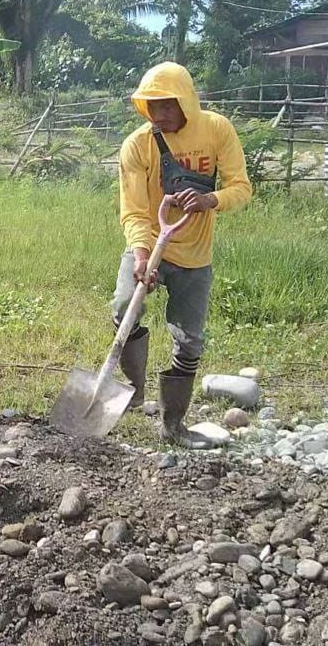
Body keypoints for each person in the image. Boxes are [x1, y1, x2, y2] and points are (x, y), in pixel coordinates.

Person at [114, 62, 252, 448]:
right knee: (125, 306)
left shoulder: (215, 130)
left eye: (167, 105)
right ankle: (134, 389)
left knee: (190, 340)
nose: (159, 113)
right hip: (151, 244)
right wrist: (142, 257)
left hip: (195, 254)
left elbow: (241, 187)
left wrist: (211, 199)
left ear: (187, 102)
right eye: (151, 106)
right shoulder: (138, 145)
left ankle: (173, 424)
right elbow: (135, 211)